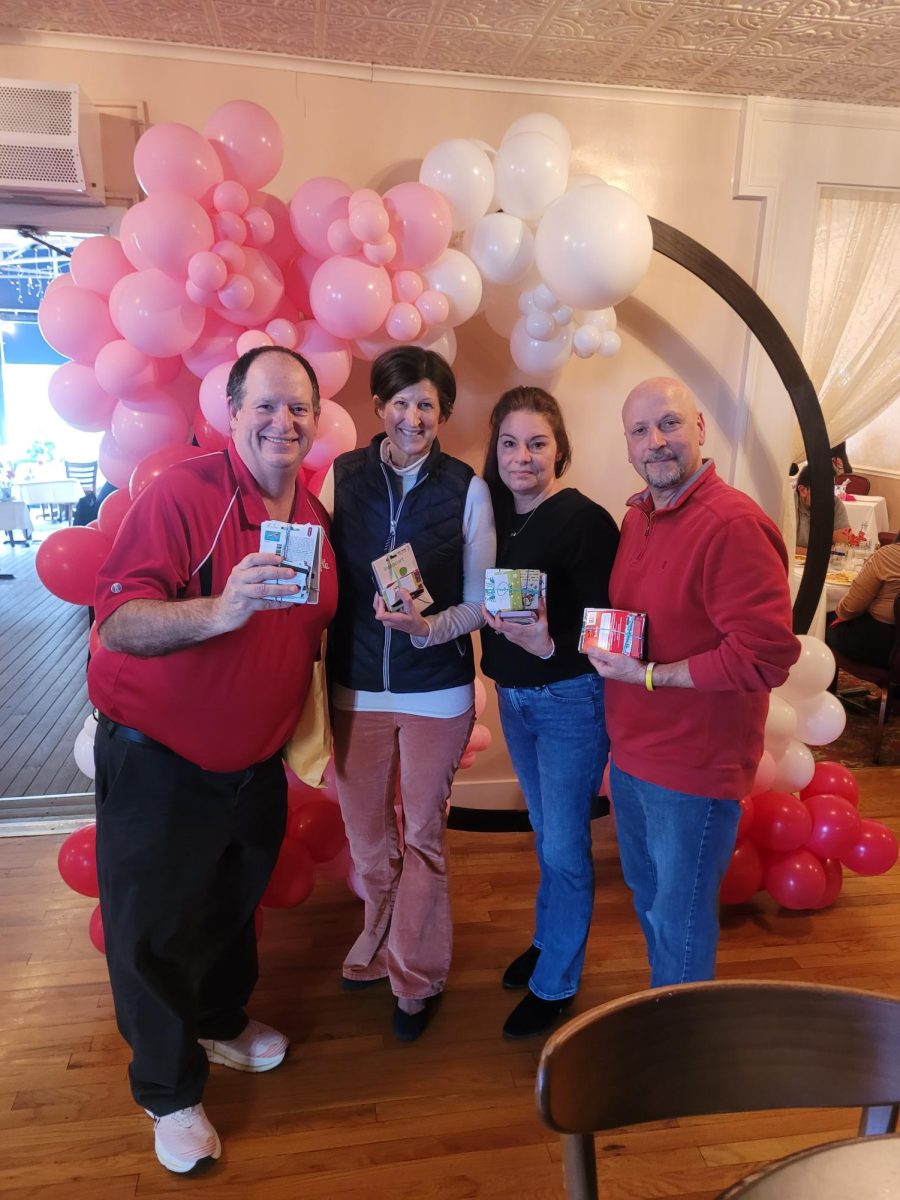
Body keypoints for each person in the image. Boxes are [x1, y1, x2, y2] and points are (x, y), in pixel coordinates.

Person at [88, 346, 337, 1174]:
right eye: (265, 406)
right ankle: (168, 1090)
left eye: (298, 408)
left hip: (253, 764)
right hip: (162, 763)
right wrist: (220, 610)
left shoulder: (314, 519)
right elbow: (119, 623)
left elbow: (316, 632)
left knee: (233, 904)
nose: (283, 422)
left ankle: (222, 1020)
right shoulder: (182, 494)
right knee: (151, 930)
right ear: (232, 414)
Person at [587, 376, 799, 988]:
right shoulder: (639, 516)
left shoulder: (733, 525)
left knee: (677, 919)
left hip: (693, 770)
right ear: (627, 446)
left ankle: (681, 1054)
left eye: (670, 424)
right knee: (649, 900)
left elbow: (764, 658)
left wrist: (648, 675)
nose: (656, 442)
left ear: (700, 428)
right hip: (632, 756)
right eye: (640, 430)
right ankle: (668, 1017)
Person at [324, 345, 495, 1043]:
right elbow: (325, 578)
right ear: (378, 408)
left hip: (437, 691)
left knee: (422, 837)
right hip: (355, 686)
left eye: (427, 404)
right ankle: (377, 934)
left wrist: (427, 628)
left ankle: (416, 977)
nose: (413, 415)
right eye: (401, 401)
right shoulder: (343, 477)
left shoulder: (467, 487)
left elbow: (483, 602)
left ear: (443, 414)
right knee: (368, 838)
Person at [480, 386, 619, 1040]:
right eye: (510, 443)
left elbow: (609, 630)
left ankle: (558, 979)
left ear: (559, 448)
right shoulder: (497, 518)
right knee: (547, 833)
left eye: (537, 443)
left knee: (564, 843)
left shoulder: (585, 520)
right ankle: (548, 939)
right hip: (515, 699)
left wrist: (549, 644)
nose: (522, 456)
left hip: (569, 699)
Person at [826, 538, 900, 667]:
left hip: (885, 644)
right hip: (892, 646)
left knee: (822, 617)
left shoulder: (889, 555)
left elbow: (849, 610)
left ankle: (815, 681)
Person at [794, 464, 853, 549]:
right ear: (803, 490)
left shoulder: (835, 504)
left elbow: (844, 543)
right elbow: (782, 547)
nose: (828, 496)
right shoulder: (788, 504)